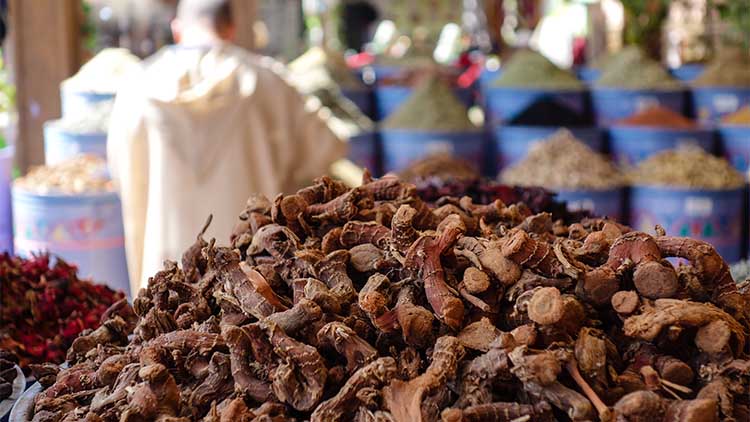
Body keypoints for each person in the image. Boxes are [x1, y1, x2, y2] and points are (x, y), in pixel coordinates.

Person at [108, 0, 346, 295]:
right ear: (230, 28)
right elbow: (326, 148)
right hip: (258, 280)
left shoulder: (136, 87)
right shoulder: (266, 80)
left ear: (177, 30)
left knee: (164, 334)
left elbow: (119, 171)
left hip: (166, 276)